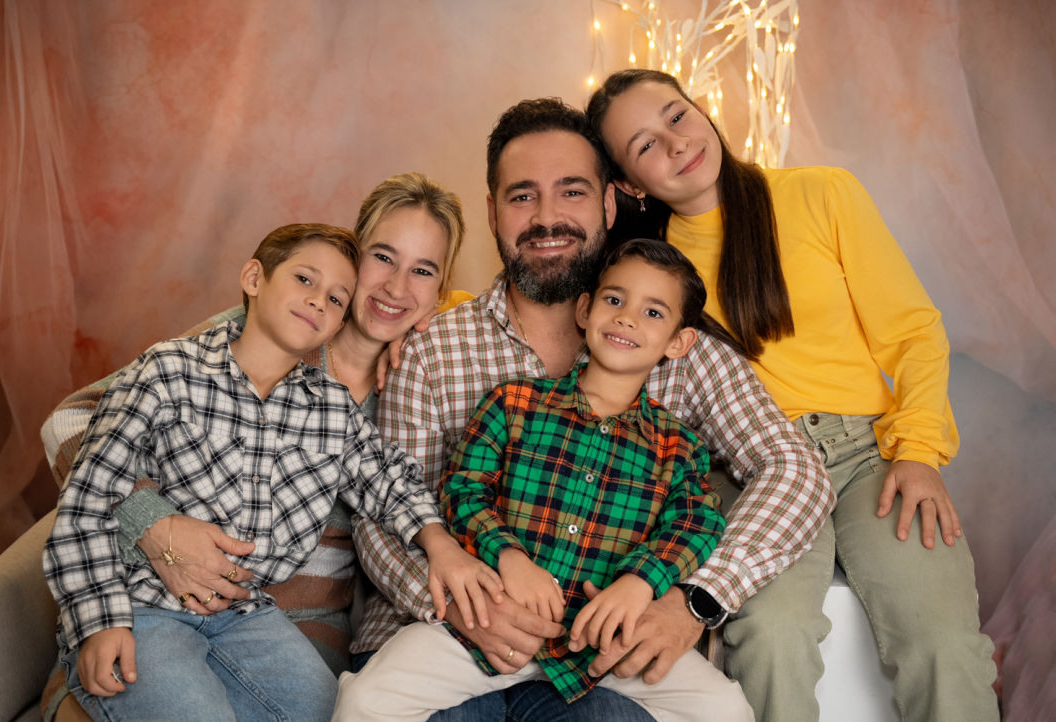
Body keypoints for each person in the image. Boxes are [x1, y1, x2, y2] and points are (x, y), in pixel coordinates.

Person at [353, 97, 833, 720]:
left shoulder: (678, 351)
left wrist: (691, 600)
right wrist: (463, 603)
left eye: (572, 192)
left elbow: (793, 472)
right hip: (445, 630)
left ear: (609, 203)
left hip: (600, 649)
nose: (547, 217)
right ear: (493, 212)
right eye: (523, 196)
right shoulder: (433, 349)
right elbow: (386, 508)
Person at [586, 68, 999, 721]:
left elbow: (913, 333)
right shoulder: (650, 267)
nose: (675, 143)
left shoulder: (820, 193)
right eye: (644, 146)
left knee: (941, 640)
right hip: (748, 473)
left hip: (868, 455)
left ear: (699, 109)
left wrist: (918, 451)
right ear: (630, 183)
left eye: (676, 116)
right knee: (770, 636)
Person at [42, 223, 499, 721]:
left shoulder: (330, 409)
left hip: (246, 615)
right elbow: (87, 497)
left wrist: (438, 541)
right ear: (254, 278)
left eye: (336, 299)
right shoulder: (169, 370)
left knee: (336, 712)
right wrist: (100, 621)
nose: (318, 301)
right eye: (304, 280)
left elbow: (389, 480)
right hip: (143, 602)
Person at [334, 239, 753, 721]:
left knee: (727, 710)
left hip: (601, 645)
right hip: (487, 627)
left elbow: (696, 524)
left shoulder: (678, 446)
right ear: (585, 310)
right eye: (614, 300)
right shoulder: (514, 403)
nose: (627, 318)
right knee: (365, 700)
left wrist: (640, 582)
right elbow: (463, 490)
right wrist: (508, 556)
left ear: (679, 343)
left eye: (653, 312)